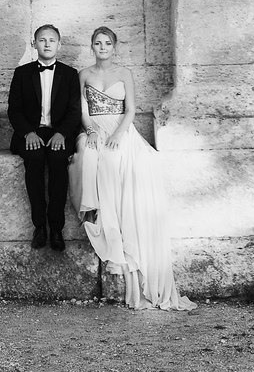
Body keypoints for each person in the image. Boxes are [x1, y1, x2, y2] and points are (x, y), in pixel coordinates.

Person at [71, 26, 196, 311]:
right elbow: (83, 109)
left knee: (120, 163)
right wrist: (90, 130)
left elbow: (130, 110)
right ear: (92, 47)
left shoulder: (124, 73)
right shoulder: (85, 75)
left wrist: (117, 134)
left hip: (120, 131)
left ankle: (125, 254)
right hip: (95, 130)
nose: (102, 47)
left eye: (107, 43)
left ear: (114, 47)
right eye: (97, 43)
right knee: (92, 158)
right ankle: (100, 221)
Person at [8, 24, 82, 252]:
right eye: (42, 40)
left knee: (59, 162)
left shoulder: (70, 75)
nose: (47, 44)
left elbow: (74, 111)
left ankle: (56, 228)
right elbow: (14, 109)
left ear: (59, 45)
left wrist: (62, 133)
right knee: (35, 159)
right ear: (34, 44)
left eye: (52, 40)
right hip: (30, 131)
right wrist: (28, 132)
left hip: (59, 132)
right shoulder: (22, 73)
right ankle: (39, 226)